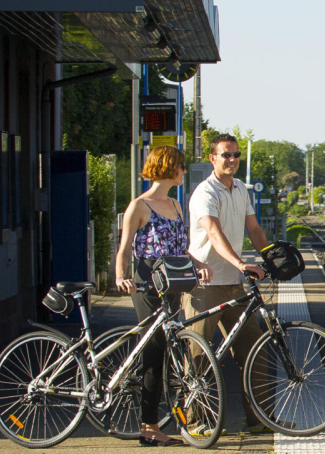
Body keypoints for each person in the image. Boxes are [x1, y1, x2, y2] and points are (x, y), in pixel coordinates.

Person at [113, 145, 209, 447]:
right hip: (146, 284)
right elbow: (125, 247)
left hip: (172, 283)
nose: (183, 172)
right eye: (181, 167)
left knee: (166, 351)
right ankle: (149, 427)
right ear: (168, 168)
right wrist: (121, 277)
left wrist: (198, 264)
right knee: (153, 352)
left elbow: (181, 249)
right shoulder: (140, 206)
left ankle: (155, 421)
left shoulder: (176, 205)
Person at [185, 134, 270, 430]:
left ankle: (259, 419)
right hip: (204, 286)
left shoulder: (240, 190)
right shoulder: (204, 193)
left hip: (234, 284)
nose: (232, 160)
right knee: (199, 354)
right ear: (213, 158)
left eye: (235, 155)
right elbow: (213, 232)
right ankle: (196, 422)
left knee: (254, 349)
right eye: (226, 155)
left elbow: (254, 228)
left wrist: (271, 256)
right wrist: (240, 262)